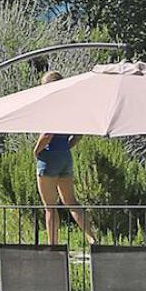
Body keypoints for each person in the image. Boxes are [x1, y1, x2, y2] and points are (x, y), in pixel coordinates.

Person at [33, 71, 96, 245]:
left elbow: (47, 132)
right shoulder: (70, 106)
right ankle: (91, 238)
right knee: (72, 202)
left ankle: (52, 245)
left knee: (50, 207)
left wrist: (37, 150)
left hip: (49, 157)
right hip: (65, 157)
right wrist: (66, 146)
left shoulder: (51, 105)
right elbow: (79, 134)